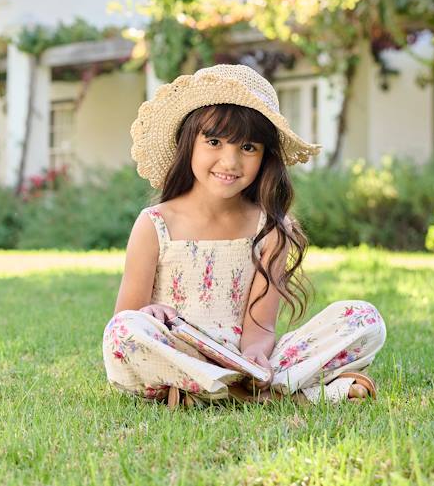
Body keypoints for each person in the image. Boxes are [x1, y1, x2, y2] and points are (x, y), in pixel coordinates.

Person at [103, 64, 386, 408]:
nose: (230, 160)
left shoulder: (270, 230)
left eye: (248, 147)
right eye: (214, 142)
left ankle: (225, 390)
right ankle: (275, 393)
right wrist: (152, 312)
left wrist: (254, 356)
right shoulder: (156, 223)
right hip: (179, 351)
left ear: (265, 156)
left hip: (244, 362)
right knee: (123, 334)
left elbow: (260, 327)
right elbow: (126, 316)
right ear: (187, 144)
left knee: (363, 318)